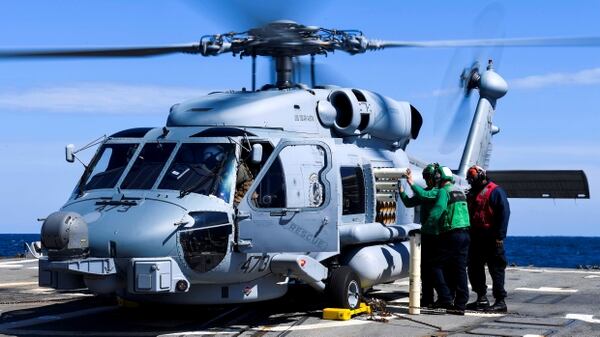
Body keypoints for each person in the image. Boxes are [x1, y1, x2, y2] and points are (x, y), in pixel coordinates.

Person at [425, 165, 471, 315]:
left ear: (439, 178)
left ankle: (445, 298)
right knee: (459, 269)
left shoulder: (444, 192)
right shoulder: (459, 190)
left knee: (435, 265)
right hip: (465, 234)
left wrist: (425, 228)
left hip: (451, 234)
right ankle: (460, 304)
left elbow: (437, 211)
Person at [465, 165, 510, 313]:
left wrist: (499, 236)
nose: (471, 181)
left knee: (496, 268)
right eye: (470, 179)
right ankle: (481, 298)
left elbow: (504, 213)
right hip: (475, 236)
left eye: (473, 178)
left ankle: (500, 301)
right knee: (474, 268)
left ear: (481, 176)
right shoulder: (471, 193)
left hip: (492, 236)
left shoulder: (496, 191)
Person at [399, 163, 441, 308]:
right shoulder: (426, 192)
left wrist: (411, 182)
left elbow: (423, 195)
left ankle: (443, 297)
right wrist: (401, 191)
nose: (427, 180)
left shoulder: (437, 192)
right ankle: (428, 297)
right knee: (425, 268)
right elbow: (409, 202)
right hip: (427, 235)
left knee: (436, 268)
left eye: (428, 177)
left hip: (437, 236)